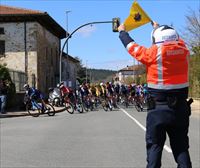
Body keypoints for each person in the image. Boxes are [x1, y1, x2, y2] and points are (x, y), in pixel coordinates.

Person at [118, 22, 192, 168]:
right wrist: (158, 29)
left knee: (155, 147)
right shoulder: (184, 49)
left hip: (158, 109)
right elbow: (175, 39)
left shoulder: (153, 53)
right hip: (181, 109)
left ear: (156, 39)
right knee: (181, 147)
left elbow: (131, 46)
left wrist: (122, 32)